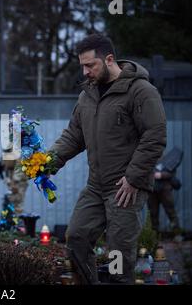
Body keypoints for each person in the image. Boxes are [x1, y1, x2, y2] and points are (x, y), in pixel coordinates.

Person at [49, 33, 167, 284]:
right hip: (96, 186)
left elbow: (154, 135)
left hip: (126, 188)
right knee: (77, 238)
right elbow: (74, 136)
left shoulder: (140, 91)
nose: (85, 72)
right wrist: (47, 162)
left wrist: (134, 178)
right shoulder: (87, 95)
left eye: (90, 65)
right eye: (82, 65)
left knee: (118, 256)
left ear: (109, 59)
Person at [148, 165, 180, 234]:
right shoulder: (148, 157)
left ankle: (177, 233)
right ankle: (154, 235)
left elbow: (172, 173)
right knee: (153, 213)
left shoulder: (167, 160)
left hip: (165, 190)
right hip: (152, 190)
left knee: (171, 212)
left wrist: (161, 175)